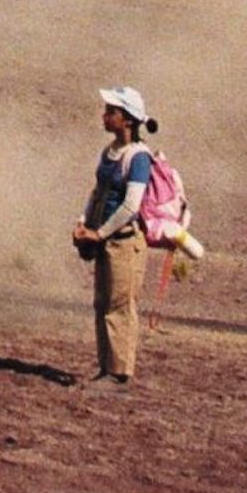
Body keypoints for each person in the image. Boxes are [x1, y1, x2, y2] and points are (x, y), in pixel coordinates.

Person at [71, 85, 160, 388]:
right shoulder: (110, 152)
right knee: (103, 303)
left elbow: (131, 205)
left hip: (124, 241)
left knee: (119, 306)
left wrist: (99, 233)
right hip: (106, 239)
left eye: (112, 112)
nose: (105, 116)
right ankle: (105, 367)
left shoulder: (138, 158)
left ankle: (119, 373)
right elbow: (98, 192)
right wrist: (84, 223)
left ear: (128, 120)